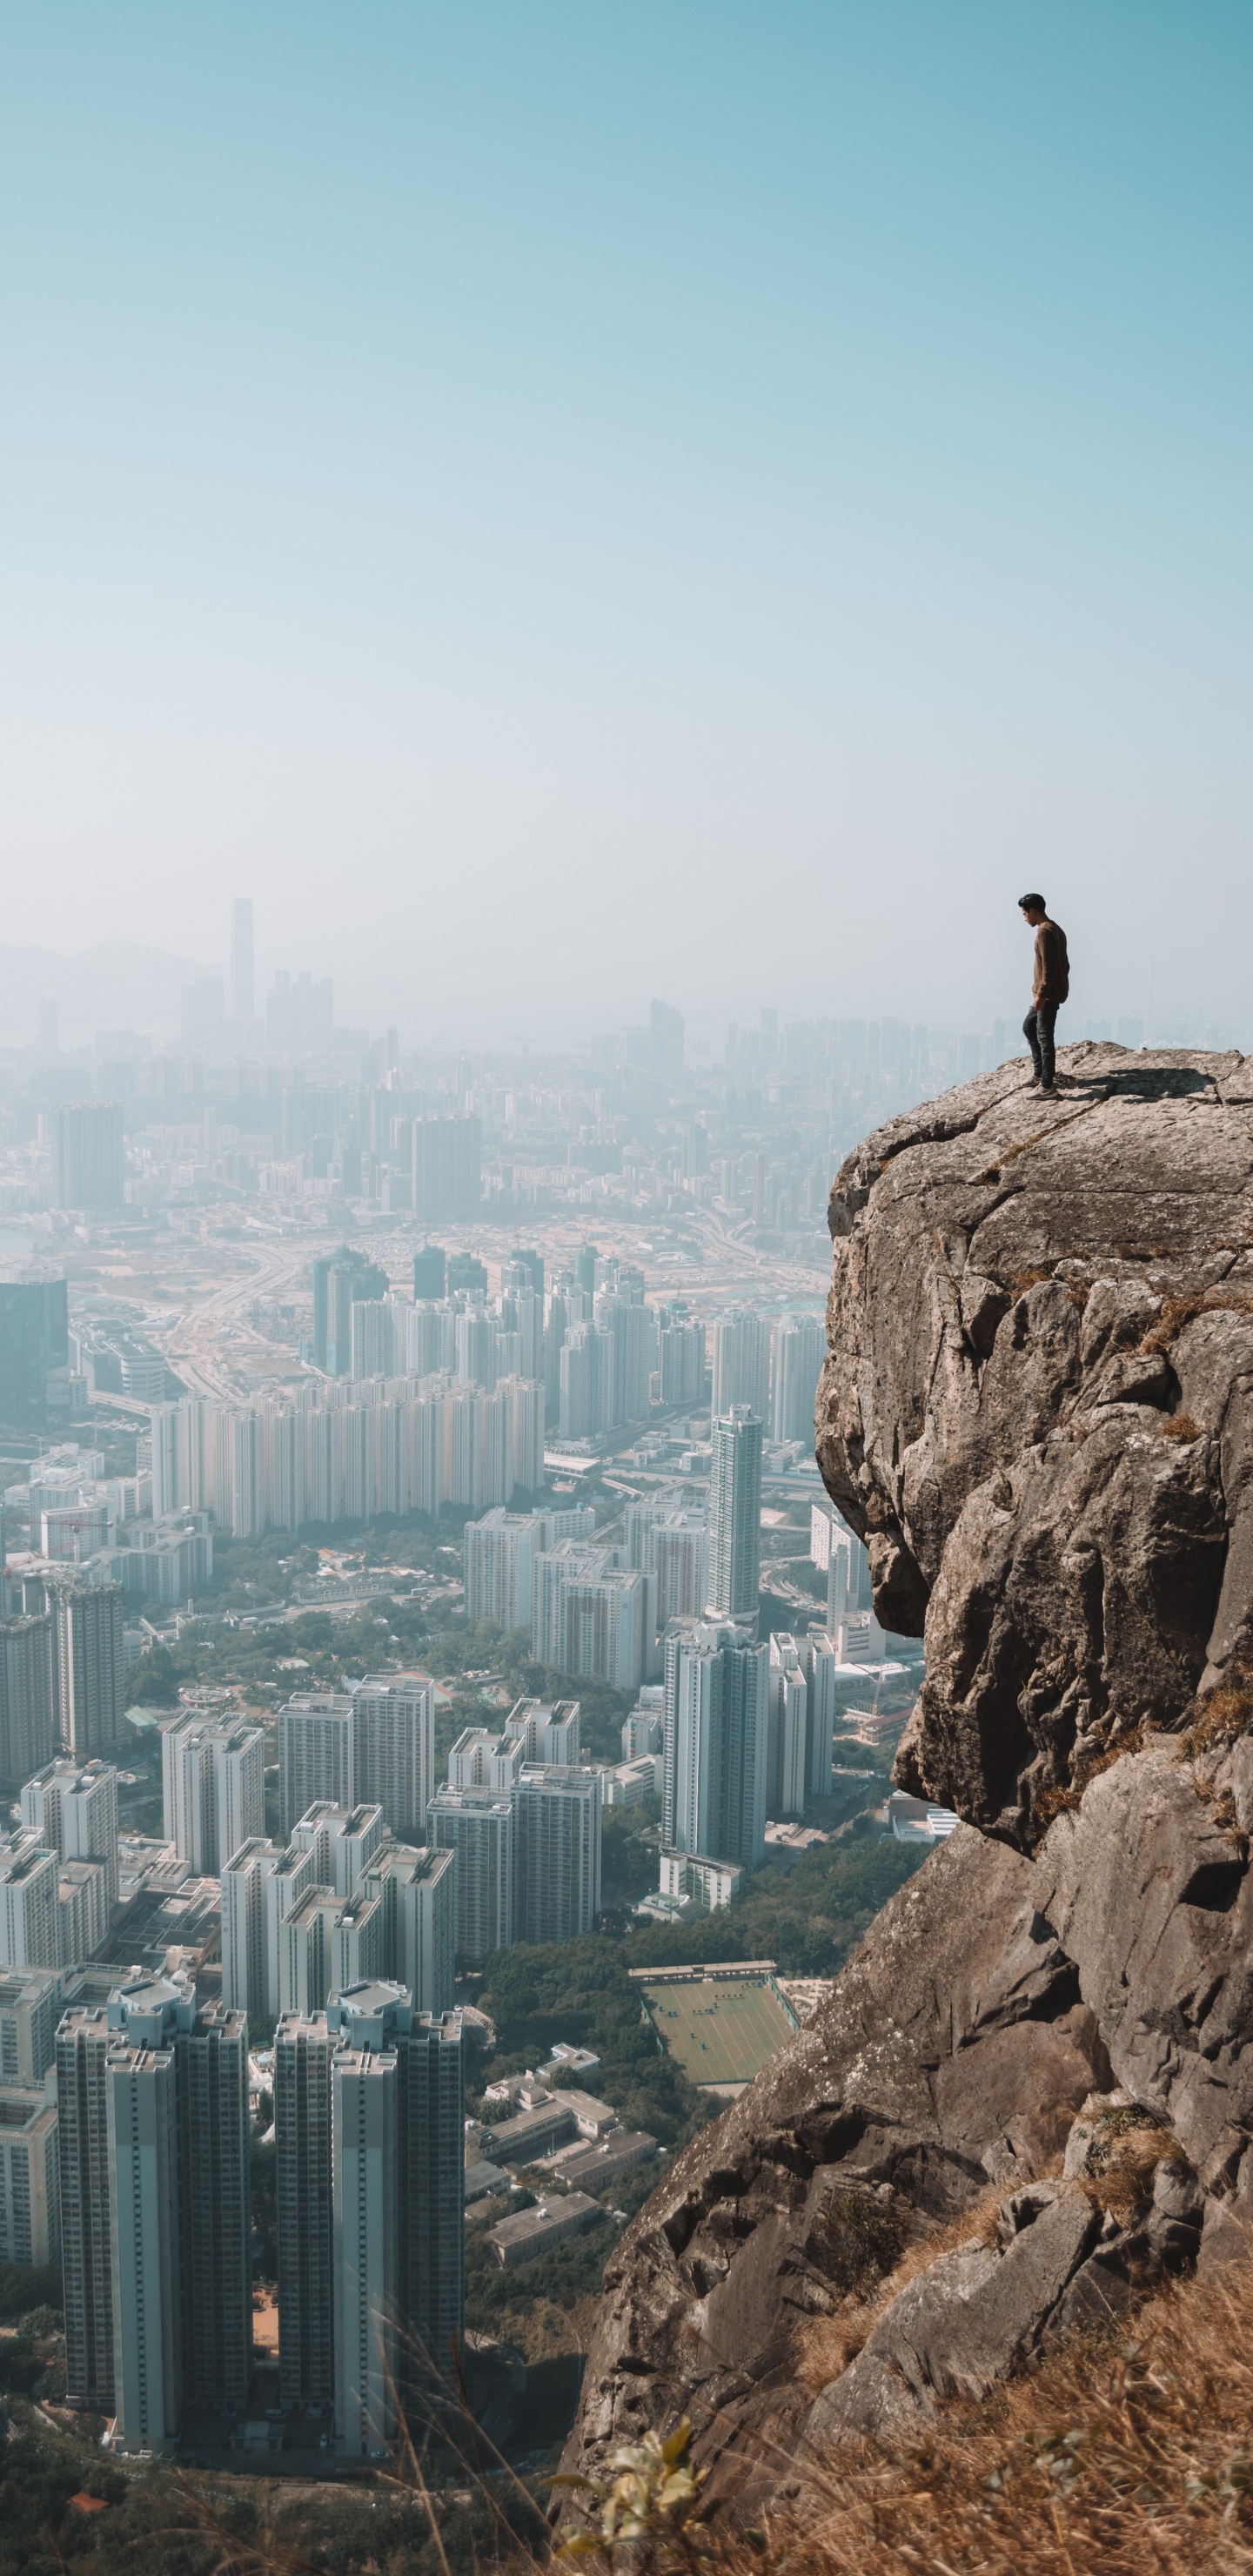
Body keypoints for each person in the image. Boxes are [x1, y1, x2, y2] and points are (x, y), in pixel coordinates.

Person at [1019, 893, 1069, 1095]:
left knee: (1044, 1036)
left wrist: (1042, 994)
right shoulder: (1055, 928)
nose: (1024, 919)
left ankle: (1047, 1086)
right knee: (1029, 1026)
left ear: (1033, 911)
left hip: (1047, 994)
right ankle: (1040, 1073)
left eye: (1025, 914)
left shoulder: (1045, 932)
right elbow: (1065, 964)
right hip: (1050, 991)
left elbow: (1050, 967)